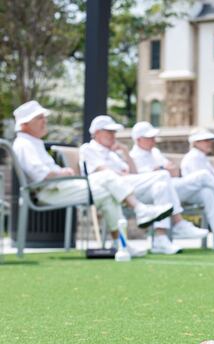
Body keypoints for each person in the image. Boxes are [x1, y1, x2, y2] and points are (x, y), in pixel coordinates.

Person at [11, 101, 172, 257]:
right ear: (25, 124)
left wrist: (62, 172)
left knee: (108, 195)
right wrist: (64, 172)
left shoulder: (32, 142)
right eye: (39, 118)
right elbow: (41, 174)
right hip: (49, 191)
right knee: (108, 177)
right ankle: (140, 210)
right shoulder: (24, 144)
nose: (44, 121)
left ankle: (120, 243)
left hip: (57, 188)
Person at [80, 115, 207, 255]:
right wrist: (121, 173)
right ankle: (177, 222)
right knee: (163, 175)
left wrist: (125, 153)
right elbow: (105, 172)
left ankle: (161, 239)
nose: (113, 135)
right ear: (97, 133)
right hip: (107, 189)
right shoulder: (88, 148)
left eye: (114, 132)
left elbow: (133, 173)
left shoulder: (113, 153)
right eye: (109, 132)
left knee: (161, 186)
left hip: (127, 188)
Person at [129, 123, 214, 252]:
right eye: (149, 138)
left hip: (173, 188)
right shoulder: (133, 156)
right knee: (199, 176)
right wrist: (161, 169)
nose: (153, 140)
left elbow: (174, 171)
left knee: (207, 192)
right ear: (138, 140)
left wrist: (160, 170)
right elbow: (145, 178)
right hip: (153, 192)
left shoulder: (155, 153)